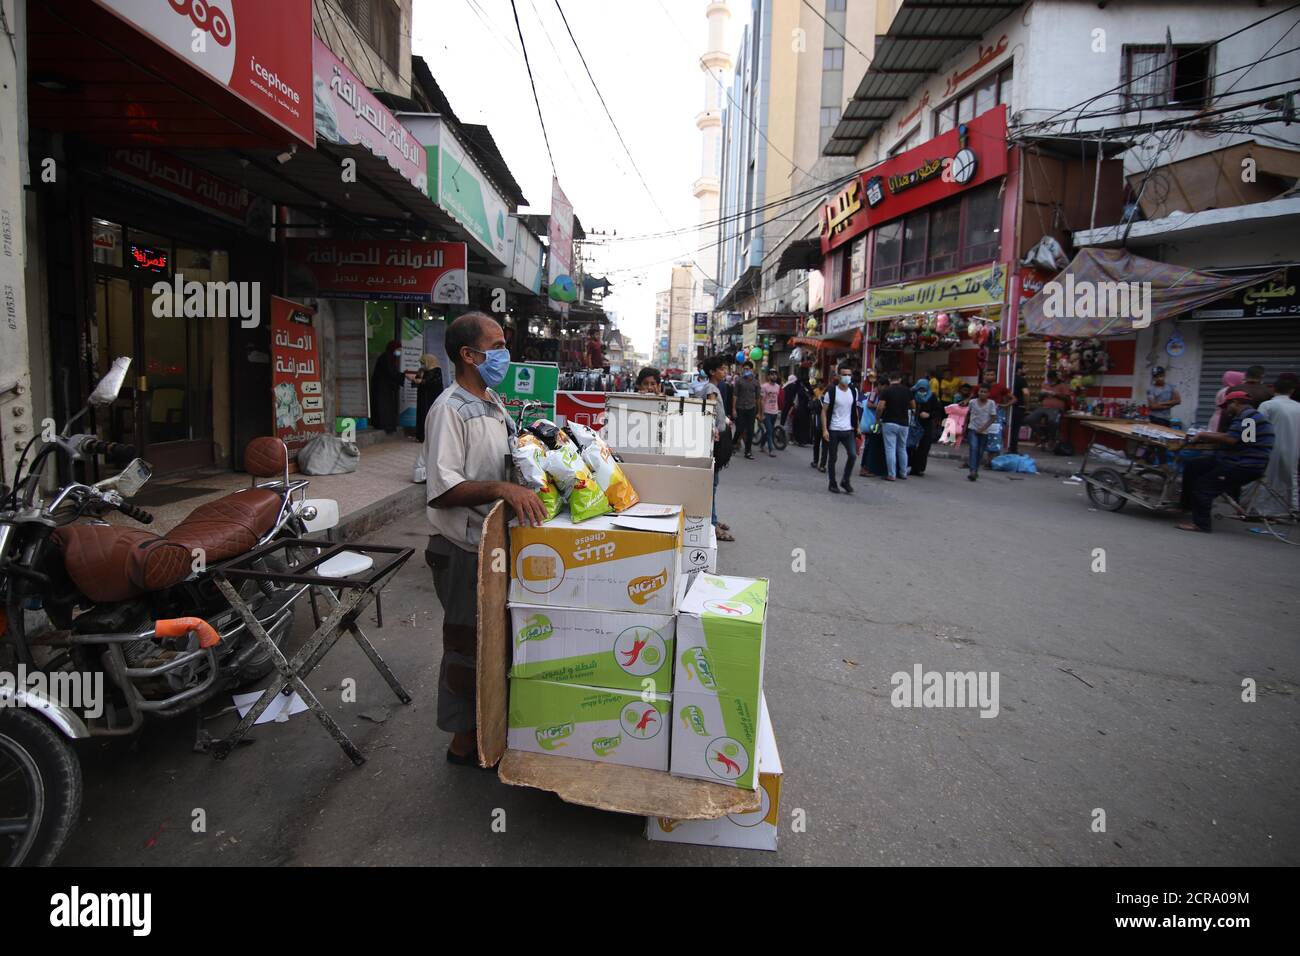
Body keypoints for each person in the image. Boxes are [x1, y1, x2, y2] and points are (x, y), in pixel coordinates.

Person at [424, 313, 547, 766]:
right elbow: (442, 489)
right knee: (464, 646)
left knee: (492, 642)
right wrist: (502, 489)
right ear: (469, 355)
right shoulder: (448, 410)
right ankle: (461, 743)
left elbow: (504, 462)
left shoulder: (493, 400)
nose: (504, 353)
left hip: (491, 546)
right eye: (495, 346)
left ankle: (489, 729)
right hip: (459, 551)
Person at [1176, 389, 1274, 533]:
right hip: (1238, 460)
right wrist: (1209, 436)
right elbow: (1241, 439)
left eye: (1227, 406)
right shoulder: (1248, 417)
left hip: (1244, 464)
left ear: (1235, 403)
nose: (1226, 410)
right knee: (1194, 465)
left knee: (1204, 486)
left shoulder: (1249, 418)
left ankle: (1201, 524)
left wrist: (1204, 434)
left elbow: (1233, 440)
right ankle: (1187, 505)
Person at [1245, 373, 1300, 515]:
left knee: (1265, 477)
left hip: (1269, 447)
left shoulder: (1268, 405)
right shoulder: (1298, 407)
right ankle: (1290, 508)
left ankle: (1259, 509)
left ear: (1273, 389)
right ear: (1292, 391)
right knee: (1289, 478)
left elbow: (1254, 426)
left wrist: (1247, 442)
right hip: (1293, 448)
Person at [701, 354, 735, 542]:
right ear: (713, 372)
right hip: (714, 441)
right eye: (722, 369)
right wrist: (715, 428)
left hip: (717, 438)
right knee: (712, 483)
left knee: (714, 482)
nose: (725, 371)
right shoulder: (711, 388)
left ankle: (713, 519)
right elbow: (710, 411)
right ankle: (711, 524)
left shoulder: (715, 387)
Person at [821, 361, 860, 494]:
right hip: (834, 430)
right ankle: (832, 483)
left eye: (849, 375)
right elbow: (824, 412)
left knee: (853, 455)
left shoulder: (853, 391)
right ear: (838, 376)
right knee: (833, 458)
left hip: (848, 429)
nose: (847, 377)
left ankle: (845, 480)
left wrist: (857, 426)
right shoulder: (831, 392)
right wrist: (825, 429)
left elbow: (854, 410)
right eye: (844, 375)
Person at [876, 371, 915, 482]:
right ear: (900, 379)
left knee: (890, 449)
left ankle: (891, 474)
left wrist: (878, 419)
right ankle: (903, 473)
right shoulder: (907, 391)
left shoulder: (886, 391)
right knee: (902, 448)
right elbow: (913, 405)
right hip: (904, 423)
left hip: (889, 422)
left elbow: (880, 407)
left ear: (889, 379)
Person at [1024, 372, 1070, 450]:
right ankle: (1042, 436)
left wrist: (1055, 394)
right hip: (1043, 407)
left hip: (1056, 409)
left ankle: (1051, 438)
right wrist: (1042, 394)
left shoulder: (1062, 385)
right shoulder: (1045, 385)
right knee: (1029, 419)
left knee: (1053, 421)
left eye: (1052, 379)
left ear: (1056, 378)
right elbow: (1040, 399)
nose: (1050, 381)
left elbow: (1067, 399)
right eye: (1049, 379)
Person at [909, 377, 944, 476]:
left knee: (924, 447)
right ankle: (911, 467)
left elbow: (938, 410)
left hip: (926, 425)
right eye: (920, 389)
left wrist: (929, 415)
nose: (922, 392)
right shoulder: (912, 395)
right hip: (914, 424)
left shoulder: (932, 397)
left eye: (924, 390)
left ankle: (919, 468)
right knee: (912, 447)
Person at [369, 339, 405, 434]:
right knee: (382, 407)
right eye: (398, 349)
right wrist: (403, 376)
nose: (399, 352)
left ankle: (388, 425)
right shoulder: (385, 358)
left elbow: (393, 373)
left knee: (387, 407)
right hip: (381, 388)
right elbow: (390, 373)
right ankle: (383, 425)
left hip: (386, 388)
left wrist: (402, 375)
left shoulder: (391, 358)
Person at [408, 354, 444, 443]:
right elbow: (415, 384)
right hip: (422, 398)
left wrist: (422, 381)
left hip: (432, 398)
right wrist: (415, 379)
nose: (422, 364)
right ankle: (420, 436)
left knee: (431, 417)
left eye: (423, 363)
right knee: (421, 416)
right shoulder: (422, 370)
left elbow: (435, 383)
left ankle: (430, 438)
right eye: (421, 363)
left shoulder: (437, 370)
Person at [965, 384, 998, 481]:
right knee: (973, 448)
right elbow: (967, 414)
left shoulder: (991, 403)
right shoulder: (972, 402)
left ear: (988, 393)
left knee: (980, 451)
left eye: (985, 392)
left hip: (984, 431)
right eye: (981, 391)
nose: (982, 393)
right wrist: (964, 427)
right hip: (972, 429)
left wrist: (983, 428)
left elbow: (993, 417)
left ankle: (975, 470)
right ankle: (972, 471)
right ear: (978, 392)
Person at [731, 360, 761, 460]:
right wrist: (734, 409)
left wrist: (759, 412)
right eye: (744, 369)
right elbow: (735, 396)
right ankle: (732, 445)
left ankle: (748, 451)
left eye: (747, 369)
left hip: (751, 408)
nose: (745, 371)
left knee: (751, 431)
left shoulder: (756, 382)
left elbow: (758, 398)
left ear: (752, 370)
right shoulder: (739, 381)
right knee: (739, 429)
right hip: (740, 408)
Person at [759, 369, 782, 457]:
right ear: (768, 376)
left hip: (775, 412)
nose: (774, 376)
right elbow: (761, 400)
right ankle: (771, 450)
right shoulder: (764, 386)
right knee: (770, 431)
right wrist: (762, 413)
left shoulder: (777, 387)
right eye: (772, 374)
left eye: (775, 374)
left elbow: (776, 398)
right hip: (767, 412)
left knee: (769, 430)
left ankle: (761, 445)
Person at [1008, 362, 1029, 454]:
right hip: (1018, 407)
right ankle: (1013, 449)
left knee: (1009, 428)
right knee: (1015, 429)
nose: (1027, 370)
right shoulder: (1021, 380)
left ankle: (1008, 447)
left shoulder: (1010, 379)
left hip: (1008, 406)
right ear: (1019, 369)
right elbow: (1026, 393)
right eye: (1025, 368)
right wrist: (1026, 404)